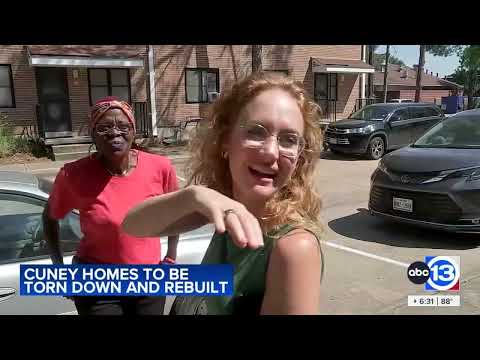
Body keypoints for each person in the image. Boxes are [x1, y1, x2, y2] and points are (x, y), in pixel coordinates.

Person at [122, 72, 324, 315]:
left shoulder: (294, 249)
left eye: (289, 139)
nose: (271, 152)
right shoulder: (228, 209)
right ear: (226, 140)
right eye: (256, 132)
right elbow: (132, 225)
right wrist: (194, 196)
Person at [43, 96, 179, 315]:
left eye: (123, 126)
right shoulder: (73, 175)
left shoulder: (160, 167)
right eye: (104, 127)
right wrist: (59, 269)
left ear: (133, 130)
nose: (115, 133)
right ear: (93, 135)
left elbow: (176, 213)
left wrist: (170, 258)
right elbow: (49, 218)